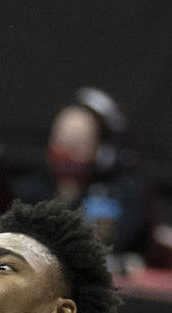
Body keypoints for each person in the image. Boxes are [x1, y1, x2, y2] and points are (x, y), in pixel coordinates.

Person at [12, 87, 154, 272]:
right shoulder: (31, 189)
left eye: (77, 146)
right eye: (61, 143)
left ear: (102, 151)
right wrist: (62, 199)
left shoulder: (121, 191)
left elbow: (120, 246)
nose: (66, 155)